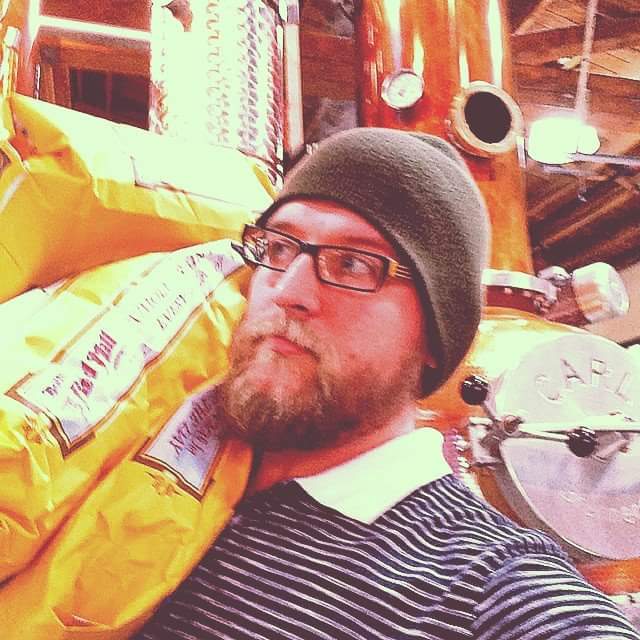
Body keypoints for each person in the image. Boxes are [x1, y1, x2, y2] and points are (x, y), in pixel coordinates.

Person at [136, 128, 639, 639]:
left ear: (435, 337)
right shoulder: (157, 472)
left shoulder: (491, 591)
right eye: (281, 248)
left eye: (353, 263)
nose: (288, 291)